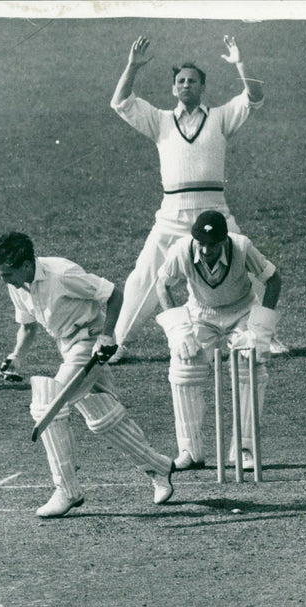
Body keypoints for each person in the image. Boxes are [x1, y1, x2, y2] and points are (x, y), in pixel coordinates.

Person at [0, 231, 174, 518]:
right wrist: (16, 358)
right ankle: (158, 467)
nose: (3, 280)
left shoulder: (62, 274)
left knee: (48, 405)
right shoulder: (17, 283)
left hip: (89, 341)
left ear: (26, 264)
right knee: (102, 415)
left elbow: (113, 294)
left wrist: (108, 335)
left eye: (6, 273)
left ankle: (68, 490)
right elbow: (27, 327)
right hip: (68, 346)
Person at [108, 34, 265, 362]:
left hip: (215, 209)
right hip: (172, 212)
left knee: (248, 263)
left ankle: (263, 335)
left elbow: (254, 96)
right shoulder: (160, 121)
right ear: (173, 88)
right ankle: (119, 343)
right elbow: (121, 102)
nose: (186, 85)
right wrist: (132, 66)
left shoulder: (220, 117)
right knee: (146, 275)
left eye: (192, 81)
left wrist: (239, 62)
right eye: (180, 81)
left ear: (202, 87)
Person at [155, 209, 282, 471]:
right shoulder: (182, 250)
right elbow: (162, 285)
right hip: (200, 313)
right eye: (201, 244)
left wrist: (259, 330)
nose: (205, 250)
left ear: (224, 241)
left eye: (212, 245)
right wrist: (178, 329)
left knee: (252, 365)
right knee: (184, 367)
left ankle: (244, 449)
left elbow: (273, 280)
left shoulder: (242, 246)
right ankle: (190, 451)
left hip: (242, 311)